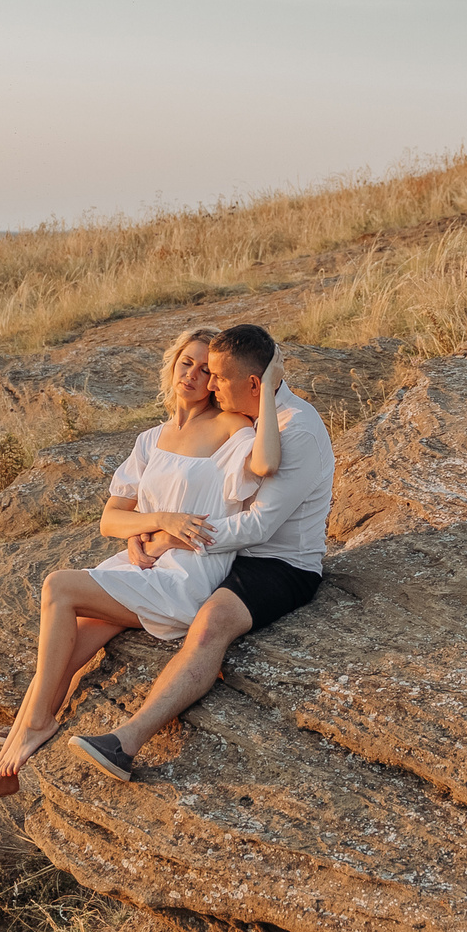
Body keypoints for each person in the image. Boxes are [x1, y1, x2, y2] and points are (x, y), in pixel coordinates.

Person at [0, 327, 283, 812]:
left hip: (185, 575)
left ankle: (37, 724)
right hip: (140, 565)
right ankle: (1, 774)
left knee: (59, 587)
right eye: (186, 363)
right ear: (172, 364)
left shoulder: (231, 426)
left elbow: (267, 464)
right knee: (62, 656)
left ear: (216, 380)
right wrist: (155, 522)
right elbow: (111, 519)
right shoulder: (151, 439)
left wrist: (269, 387)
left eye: (206, 370)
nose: (194, 375)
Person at [68, 322, 331, 783]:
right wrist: (146, 527)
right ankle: (36, 716)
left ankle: (124, 743)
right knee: (104, 605)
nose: (211, 386)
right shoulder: (247, 418)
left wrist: (173, 538)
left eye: (219, 377)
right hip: (225, 550)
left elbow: (258, 526)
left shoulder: (297, 430)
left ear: (254, 384)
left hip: (278, 564)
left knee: (210, 625)